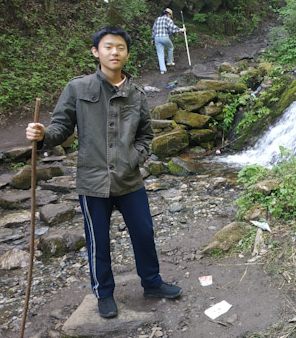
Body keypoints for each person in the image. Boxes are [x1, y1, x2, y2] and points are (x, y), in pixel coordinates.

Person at [26, 26, 182, 319]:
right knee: (97, 239)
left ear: (127, 53)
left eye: (120, 47)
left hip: (129, 178)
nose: (114, 52)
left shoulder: (136, 94)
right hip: (93, 181)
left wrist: (134, 158)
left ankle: (152, 283)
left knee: (144, 233)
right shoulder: (78, 88)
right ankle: (104, 294)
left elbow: (146, 136)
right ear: (96, 52)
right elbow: (61, 128)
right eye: (108, 47)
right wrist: (42, 134)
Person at [151, 8, 185, 74]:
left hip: (157, 38)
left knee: (160, 54)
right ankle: (169, 61)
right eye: (170, 15)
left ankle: (162, 70)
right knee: (170, 47)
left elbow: (153, 29)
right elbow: (172, 28)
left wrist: (152, 39)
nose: (170, 16)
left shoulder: (157, 19)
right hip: (164, 37)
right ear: (168, 14)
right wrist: (181, 30)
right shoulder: (168, 19)